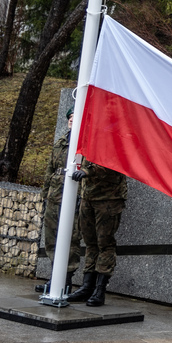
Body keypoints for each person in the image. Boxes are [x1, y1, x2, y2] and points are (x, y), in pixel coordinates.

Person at [66, 159, 127, 307]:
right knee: (90, 243)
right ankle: (87, 287)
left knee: (105, 244)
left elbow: (112, 163)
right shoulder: (89, 139)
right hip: (88, 197)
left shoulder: (113, 138)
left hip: (108, 198)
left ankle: (99, 291)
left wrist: (86, 171)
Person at [35, 106, 81, 293]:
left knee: (70, 238)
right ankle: (55, 278)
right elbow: (50, 170)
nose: (71, 119)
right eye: (69, 117)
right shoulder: (60, 142)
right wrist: (44, 195)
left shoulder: (82, 144)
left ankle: (66, 280)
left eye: (74, 117)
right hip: (55, 196)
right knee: (52, 237)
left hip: (74, 197)